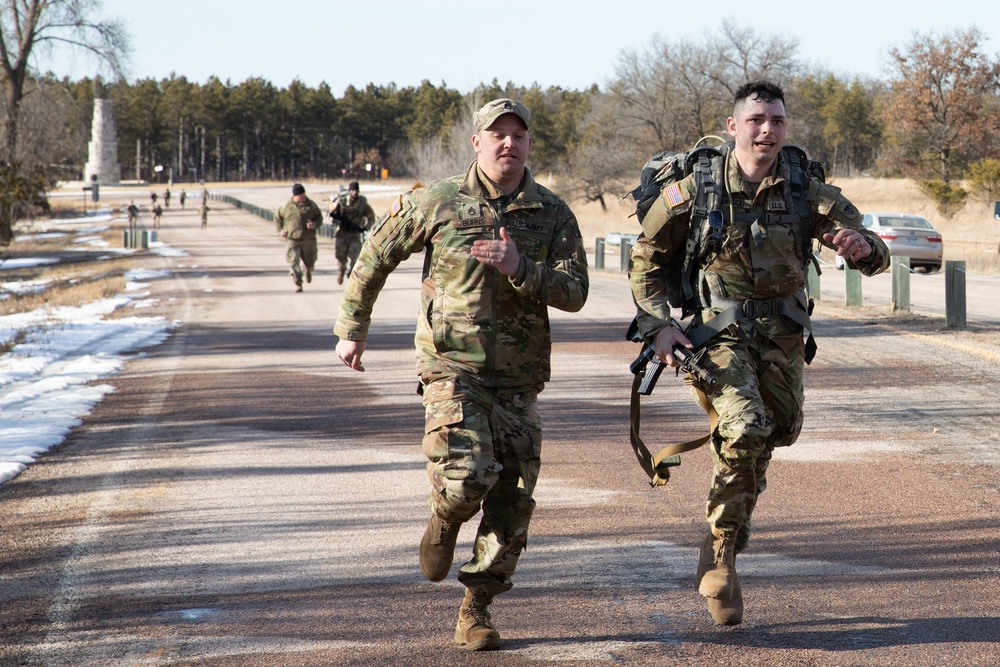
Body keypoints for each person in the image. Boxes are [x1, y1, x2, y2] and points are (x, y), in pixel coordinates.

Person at [628, 80, 890, 626]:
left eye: (776, 120)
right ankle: (722, 550)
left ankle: (725, 537)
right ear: (733, 127)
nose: (766, 130)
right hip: (718, 333)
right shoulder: (697, 188)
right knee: (744, 427)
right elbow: (647, 258)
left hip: (784, 334)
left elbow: (870, 249)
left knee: (775, 432)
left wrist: (863, 249)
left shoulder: (803, 187)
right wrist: (658, 327)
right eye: (755, 120)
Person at [334, 98, 589, 651]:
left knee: (513, 504)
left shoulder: (552, 212)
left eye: (518, 135)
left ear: (528, 144)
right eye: (497, 135)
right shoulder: (439, 200)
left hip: (519, 380)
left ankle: (476, 608)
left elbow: (575, 293)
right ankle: (445, 517)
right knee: (468, 476)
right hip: (452, 367)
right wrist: (353, 326)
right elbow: (376, 253)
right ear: (477, 142)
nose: (508, 144)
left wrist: (521, 267)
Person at [275, 183, 324, 292]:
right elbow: (277, 219)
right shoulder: (286, 206)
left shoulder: (311, 205)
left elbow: (319, 218)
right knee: (293, 262)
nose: (303, 197)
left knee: (310, 261)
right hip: (292, 239)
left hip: (309, 239)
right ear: (294, 196)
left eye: (303, 195)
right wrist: (280, 231)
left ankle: (308, 270)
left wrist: (314, 224)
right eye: (300, 196)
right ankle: (298, 283)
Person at [328, 181, 375, 284]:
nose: (354, 192)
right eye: (353, 190)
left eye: (356, 190)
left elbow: (371, 216)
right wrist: (336, 221)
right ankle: (341, 270)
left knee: (356, 256)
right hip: (342, 233)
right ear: (349, 191)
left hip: (354, 234)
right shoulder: (341, 202)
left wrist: (366, 227)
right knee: (341, 256)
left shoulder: (362, 204)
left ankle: (351, 274)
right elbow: (331, 214)